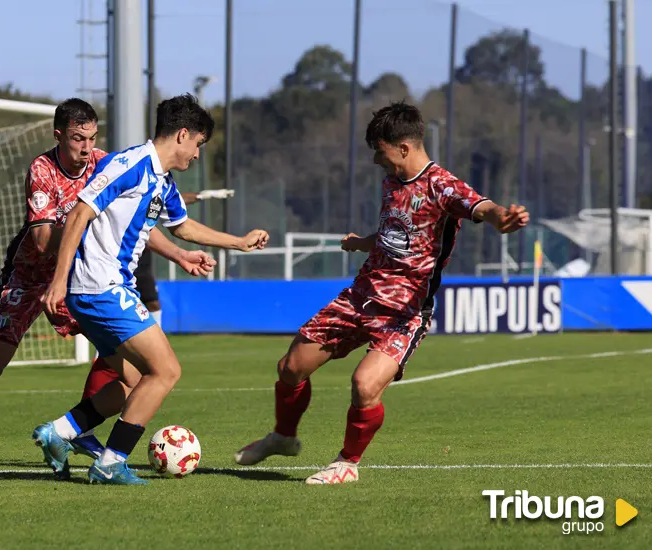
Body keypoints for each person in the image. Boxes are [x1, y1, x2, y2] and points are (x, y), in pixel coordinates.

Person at [0, 98, 215, 479]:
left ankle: (74, 430)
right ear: (59, 135)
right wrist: (86, 215)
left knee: (131, 370)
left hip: (84, 279)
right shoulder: (42, 170)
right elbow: (44, 241)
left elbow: (134, 214)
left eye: (92, 138)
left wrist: (177, 252)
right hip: (31, 280)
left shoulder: (103, 162)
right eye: (78, 138)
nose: (86, 148)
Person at [234, 101, 530, 485]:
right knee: (291, 367)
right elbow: (400, 235)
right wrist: (363, 242)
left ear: (403, 148)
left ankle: (346, 463)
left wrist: (501, 217)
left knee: (364, 385)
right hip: (360, 296)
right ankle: (283, 436)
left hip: (403, 314)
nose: (376, 160)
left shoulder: (442, 185)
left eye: (380, 151)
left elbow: (482, 207)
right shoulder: (392, 181)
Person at [33, 94, 269, 485]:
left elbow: (183, 226)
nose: (197, 154)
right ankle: (110, 463)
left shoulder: (161, 181)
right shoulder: (130, 163)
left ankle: (59, 432)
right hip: (99, 286)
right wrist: (58, 282)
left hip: (102, 288)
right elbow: (78, 214)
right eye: (198, 144)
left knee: (131, 382)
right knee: (167, 371)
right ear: (181, 135)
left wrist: (238, 242)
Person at [133, 188, 235, 325]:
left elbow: (175, 205)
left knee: (153, 303)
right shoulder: (135, 176)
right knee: (117, 309)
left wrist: (201, 195)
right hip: (115, 262)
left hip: (142, 260)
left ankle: (157, 335)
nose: (190, 164)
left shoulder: (160, 184)